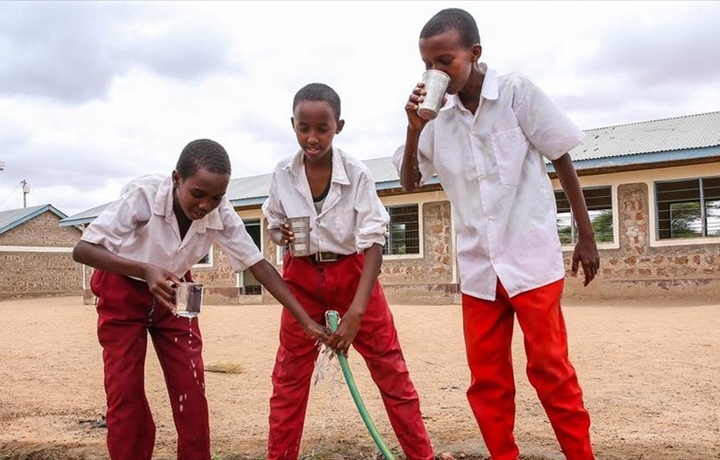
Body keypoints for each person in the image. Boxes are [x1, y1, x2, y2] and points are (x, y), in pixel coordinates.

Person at [393, 8, 601, 460]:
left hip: (531, 262)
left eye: (444, 61)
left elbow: (562, 155)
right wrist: (413, 132)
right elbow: (409, 182)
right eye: (428, 64)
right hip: (478, 271)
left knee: (551, 370)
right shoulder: (437, 121)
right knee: (486, 380)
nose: (436, 72)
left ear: (474, 53)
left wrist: (585, 236)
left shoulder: (515, 93)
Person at [72, 138, 329, 460]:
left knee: (190, 390)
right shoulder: (144, 196)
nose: (206, 205)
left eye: (216, 197)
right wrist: (144, 269)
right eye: (198, 194)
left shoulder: (221, 213)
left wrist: (305, 319)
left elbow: (258, 265)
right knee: (125, 393)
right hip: (122, 288)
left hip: (175, 292)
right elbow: (83, 250)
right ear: (177, 178)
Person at [262, 83, 435, 460]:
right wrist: (282, 232)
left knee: (392, 373)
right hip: (302, 277)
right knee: (288, 380)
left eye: (321, 128)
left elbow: (374, 239)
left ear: (338, 126)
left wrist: (357, 311)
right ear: (293, 125)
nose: (312, 137)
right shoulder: (281, 174)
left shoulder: (356, 173)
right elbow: (273, 221)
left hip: (355, 276)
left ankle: (422, 456)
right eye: (303, 128)